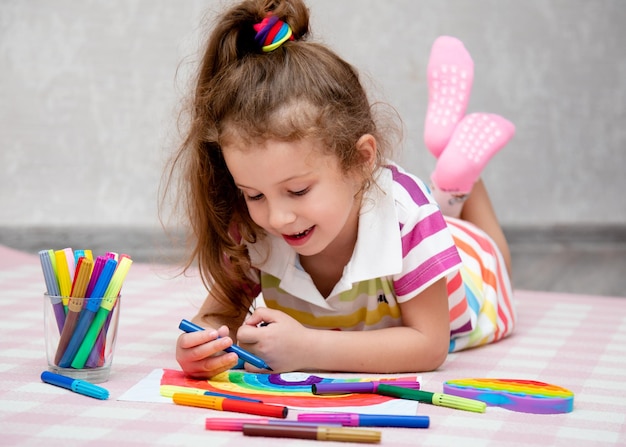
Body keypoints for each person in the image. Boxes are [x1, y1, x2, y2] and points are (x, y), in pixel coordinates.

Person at [165, 0, 516, 379]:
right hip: (420, 239)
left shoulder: (408, 217)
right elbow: (219, 315)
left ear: (361, 160)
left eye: (298, 191)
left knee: (493, 255)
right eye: (254, 195)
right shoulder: (254, 228)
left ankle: (459, 183)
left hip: (464, 269)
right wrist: (202, 344)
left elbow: (429, 345)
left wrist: (309, 348)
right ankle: (450, 185)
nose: (278, 217)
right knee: (440, 220)